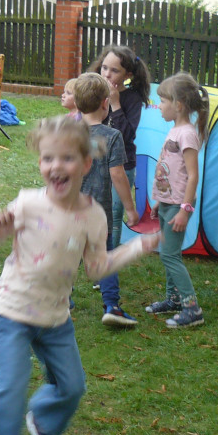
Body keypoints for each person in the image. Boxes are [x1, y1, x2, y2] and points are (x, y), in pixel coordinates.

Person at [0, 115, 159, 435]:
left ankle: (44, 422)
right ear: (40, 163)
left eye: (66, 158)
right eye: (47, 159)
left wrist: (135, 249)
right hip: (13, 311)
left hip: (55, 318)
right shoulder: (28, 203)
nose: (55, 167)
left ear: (86, 164)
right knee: (11, 385)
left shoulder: (93, 215)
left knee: (72, 385)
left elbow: (95, 267)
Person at [74, 73, 141, 327]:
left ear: (78, 105)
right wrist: (130, 209)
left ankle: (61, 302)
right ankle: (112, 305)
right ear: (106, 103)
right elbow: (118, 175)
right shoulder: (112, 136)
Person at [145, 73, 209, 328]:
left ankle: (192, 309)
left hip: (179, 206)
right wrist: (160, 200)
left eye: (163, 101)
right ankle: (173, 299)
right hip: (168, 203)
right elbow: (172, 170)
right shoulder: (175, 129)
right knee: (168, 252)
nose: (159, 106)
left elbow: (193, 176)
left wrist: (185, 210)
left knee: (170, 256)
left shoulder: (187, 134)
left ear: (178, 105)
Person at [88, 45, 152, 247]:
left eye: (114, 71)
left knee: (113, 215)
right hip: (94, 162)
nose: (107, 74)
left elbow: (126, 135)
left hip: (122, 165)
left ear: (128, 75)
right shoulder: (94, 92)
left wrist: (115, 105)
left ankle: (108, 265)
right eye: (104, 68)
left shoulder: (132, 99)